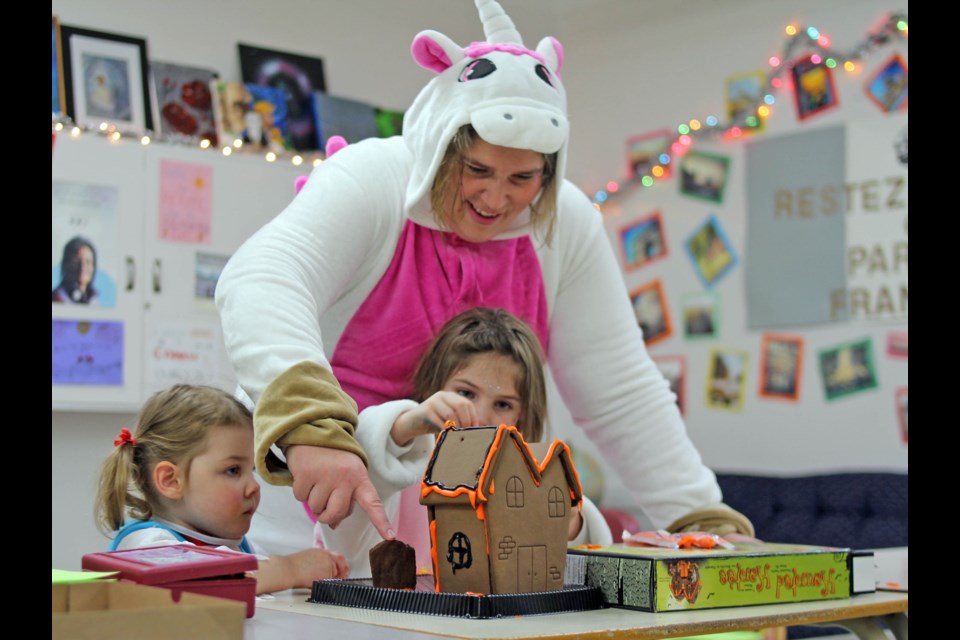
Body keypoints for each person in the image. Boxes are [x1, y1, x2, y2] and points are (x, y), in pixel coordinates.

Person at [215, 0, 753, 564]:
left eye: (522, 178)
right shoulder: (374, 180)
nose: (496, 199)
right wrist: (312, 429)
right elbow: (262, 279)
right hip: (313, 503)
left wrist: (699, 517)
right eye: (477, 170)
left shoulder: (564, 222)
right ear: (445, 143)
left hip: (465, 533)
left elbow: (619, 389)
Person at [318, 307, 613, 576]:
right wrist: (409, 423)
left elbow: (591, 557)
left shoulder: (521, 486)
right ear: (435, 391)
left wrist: (569, 523)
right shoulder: (402, 472)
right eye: (465, 394)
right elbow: (363, 473)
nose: (479, 416)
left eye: (503, 405)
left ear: (521, 418)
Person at [93, 384, 349, 595]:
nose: (253, 486)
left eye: (252, 471)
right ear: (171, 480)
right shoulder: (145, 544)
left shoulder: (243, 548)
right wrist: (291, 569)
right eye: (233, 470)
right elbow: (199, 582)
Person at [52, 235, 99, 305]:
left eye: (88, 262)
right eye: (76, 261)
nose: (83, 267)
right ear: (66, 264)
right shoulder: (57, 299)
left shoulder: (95, 300)